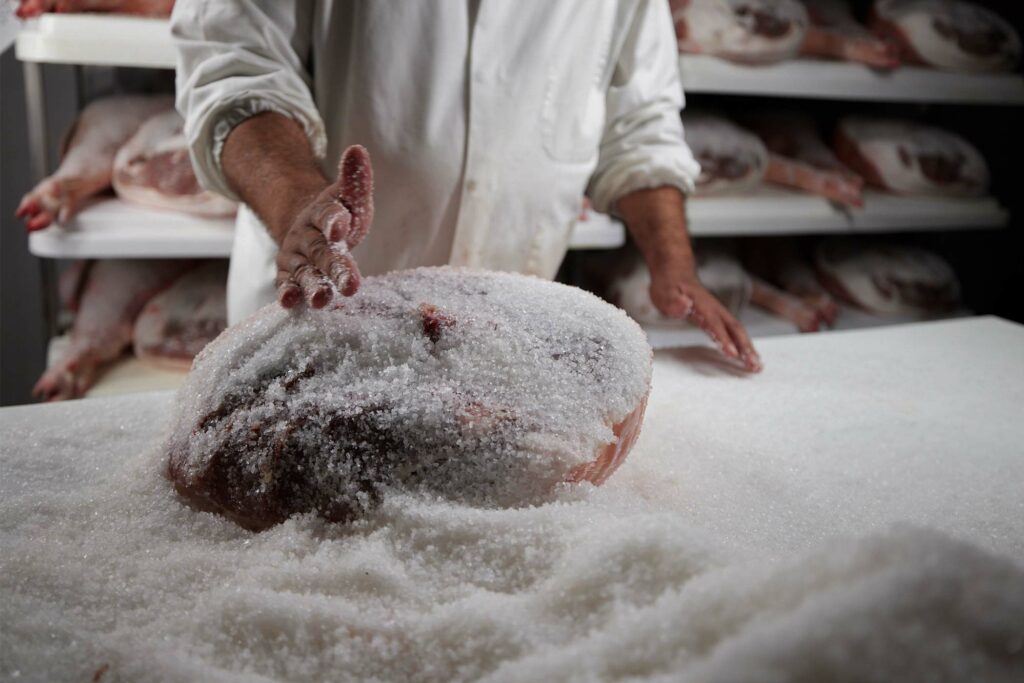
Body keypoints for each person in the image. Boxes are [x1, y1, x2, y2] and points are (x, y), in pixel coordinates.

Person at [172, 0, 762, 372]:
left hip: (501, 346)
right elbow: (234, 62)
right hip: (315, 316)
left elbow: (639, 120)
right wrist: (300, 198)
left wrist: (674, 264)